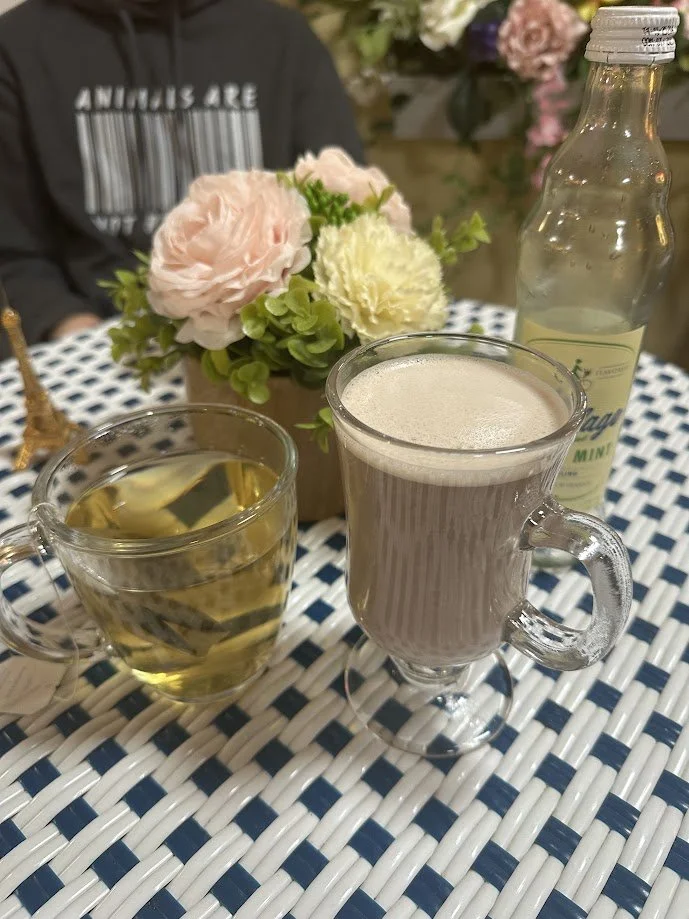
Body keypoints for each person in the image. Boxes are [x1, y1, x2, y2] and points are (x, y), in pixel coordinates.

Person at [0, 0, 364, 358]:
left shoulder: (283, 39)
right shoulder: (17, 44)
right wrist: (80, 338)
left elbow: (344, 215)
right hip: (93, 348)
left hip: (263, 351)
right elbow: (15, 254)